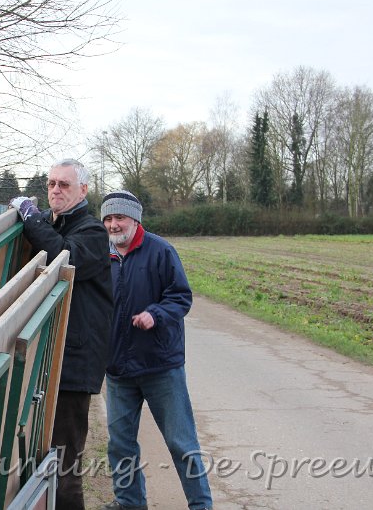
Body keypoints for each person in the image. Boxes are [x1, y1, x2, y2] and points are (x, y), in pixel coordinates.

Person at [9, 159, 113, 510]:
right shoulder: (59, 225)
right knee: (42, 457)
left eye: (64, 184)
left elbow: (62, 258)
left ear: (83, 190)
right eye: (51, 183)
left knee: (65, 462)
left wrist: (31, 219)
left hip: (74, 362)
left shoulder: (93, 232)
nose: (55, 189)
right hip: (50, 355)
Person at [100, 190, 212, 510]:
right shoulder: (101, 256)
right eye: (107, 218)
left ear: (135, 220)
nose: (112, 224)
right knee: (120, 445)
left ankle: (201, 505)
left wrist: (155, 314)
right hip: (119, 369)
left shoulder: (161, 251)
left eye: (119, 217)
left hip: (160, 366)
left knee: (181, 443)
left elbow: (181, 297)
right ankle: (130, 503)